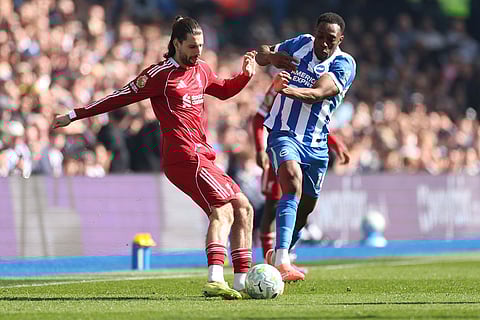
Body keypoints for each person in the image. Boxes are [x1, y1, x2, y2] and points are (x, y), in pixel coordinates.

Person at [53, 16, 256, 299]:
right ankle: (215, 278)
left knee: (244, 208)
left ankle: (244, 283)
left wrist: (245, 76)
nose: (198, 52)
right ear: (176, 44)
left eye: (200, 46)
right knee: (222, 210)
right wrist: (75, 115)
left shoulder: (202, 69)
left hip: (204, 156)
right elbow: (119, 97)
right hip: (182, 156)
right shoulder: (160, 75)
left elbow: (223, 91)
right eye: (192, 46)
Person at [255, 12, 356, 281]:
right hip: (283, 132)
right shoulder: (301, 43)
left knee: (305, 208)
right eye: (320, 36)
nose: (322, 43)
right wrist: (271, 57)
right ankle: (283, 261)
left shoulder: (344, 64)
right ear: (315, 32)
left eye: (330, 39)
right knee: (291, 182)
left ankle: (282, 253)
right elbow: (261, 54)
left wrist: (285, 90)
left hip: (316, 144)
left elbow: (318, 94)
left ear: (340, 40)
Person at [252, 82, 351, 267]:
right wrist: (259, 148)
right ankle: (270, 260)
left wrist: (334, 142)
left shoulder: (310, 82)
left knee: (301, 206)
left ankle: (283, 256)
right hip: (280, 148)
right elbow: (258, 118)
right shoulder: (280, 82)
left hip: (305, 148)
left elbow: (312, 121)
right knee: (271, 208)